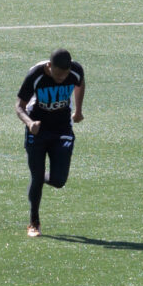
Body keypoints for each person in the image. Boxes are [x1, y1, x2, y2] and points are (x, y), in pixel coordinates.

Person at [16, 48, 86, 236]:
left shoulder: (75, 71)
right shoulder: (36, 75)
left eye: (64, 75)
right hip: (37, 129)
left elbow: (80, 83)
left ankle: (39, 177)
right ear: (49, 66)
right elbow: (19, 107)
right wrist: (30, 123)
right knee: (36, 176)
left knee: (59, 180)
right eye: (57, 74)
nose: (61, 79)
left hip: (62, 129)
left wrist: (78, 110)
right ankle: (34, 222)